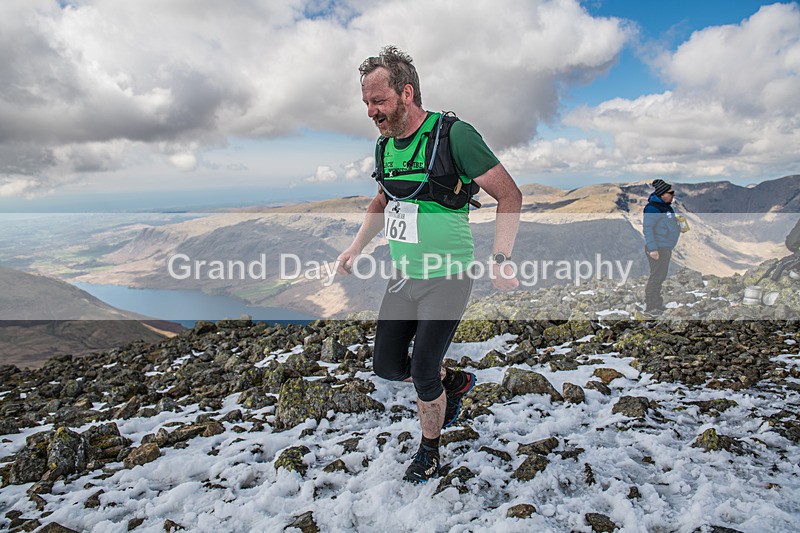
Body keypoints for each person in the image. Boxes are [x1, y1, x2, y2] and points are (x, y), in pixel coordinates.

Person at [335, 46, 522, 483]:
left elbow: (509, 195)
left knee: (421, 370)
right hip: (404, 277)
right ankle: (453, 382)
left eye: (377, 101)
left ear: (406, 93)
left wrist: (501, 258)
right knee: (386, 366)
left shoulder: (453, 135)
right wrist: (356, 247)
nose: (370, 111)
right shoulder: (384, 147)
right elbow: (384, 200)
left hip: (449, 274)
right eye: (365, 103)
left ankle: (429, 449)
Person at [642, 179, 681, 315]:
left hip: (664, 247)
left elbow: (664, 223)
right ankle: (651, 306)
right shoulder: (653, 208)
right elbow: (648, 228)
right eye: (670, 192)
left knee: (660, 276)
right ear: (662, 194)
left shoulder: (666, 207)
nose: (673, 195)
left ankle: (657, 304)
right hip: (657, 249)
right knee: (656, 277)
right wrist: (653, 249)